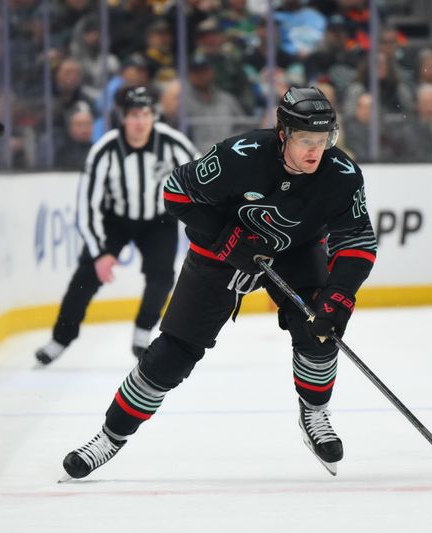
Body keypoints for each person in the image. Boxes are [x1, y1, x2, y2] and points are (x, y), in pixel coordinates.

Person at [61, 86, 378, 479]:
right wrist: (223, 236)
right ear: (283, 134)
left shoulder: (342, 174)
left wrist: (340, 297)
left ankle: (313, 412)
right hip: (219, 255)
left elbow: (359, 243)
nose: (315, 151)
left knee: (319, 328)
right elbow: (176, 191)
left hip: (296, 250)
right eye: (304, 140)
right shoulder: (239, 156)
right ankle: (109, 437)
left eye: (323, 139)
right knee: (173, 353)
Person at [35, 86, 200, 365]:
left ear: (154, 116)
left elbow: (198, 177)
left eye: (145, 114)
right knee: (85, 277)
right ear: (122, 117)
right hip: (116, 220)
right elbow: (87, 205)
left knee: (161, 275)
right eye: (134, 114)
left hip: (159, 220)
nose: (140, 121)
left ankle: (142, 330)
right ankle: (60, 339)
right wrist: (100, 253)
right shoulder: (105, 149)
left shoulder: (173, 143)